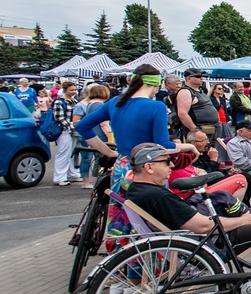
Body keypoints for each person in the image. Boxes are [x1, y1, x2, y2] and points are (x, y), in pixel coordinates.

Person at [125, 143, 251, 277]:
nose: (172, 165)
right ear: (149, 167)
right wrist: (242, 221)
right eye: (167, 162)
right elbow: (201, 226)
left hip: (194, 241)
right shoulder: (158, 196)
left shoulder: (139, 190)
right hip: (207, 246)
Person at [76, 64, 199, 248]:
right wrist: (189, 146)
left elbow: (82, 126)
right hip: (148, 168)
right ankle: (146, 267)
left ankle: (116, 264)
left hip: (122, 166)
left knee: (120, 217)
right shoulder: (155, 106)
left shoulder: (115, 103)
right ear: (155, 85)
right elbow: (162, 145)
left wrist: (109, 152)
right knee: (150, 221)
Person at [72, 84, 112, 189]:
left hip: (92, 134)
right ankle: (97, 184)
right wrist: (110, 135)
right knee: (100, 161)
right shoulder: (99, 105)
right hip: (101, 136)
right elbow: (103, 123)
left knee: (94, 160)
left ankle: (92, 182)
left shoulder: (89, 104)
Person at [175, 68, 220, 144]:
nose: (201, 78)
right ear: (188, 78)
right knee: (200, 154)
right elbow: (182, 114)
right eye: (198, 76)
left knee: (210, 154)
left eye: (201, 76)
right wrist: (195, 131)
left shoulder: (200, 91)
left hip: (210, 130)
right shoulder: (185, 92)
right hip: (198, 132)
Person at [52, 81, 82, 186]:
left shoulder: (74, 100)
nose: (73, 92)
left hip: (73, 129)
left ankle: (73, 174)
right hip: (63, 130)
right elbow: (59, 118)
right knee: (63, 153)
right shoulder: (59, 102)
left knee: (73, 153)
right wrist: (71, 129)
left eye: (74, 89)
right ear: (65, 90)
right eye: (71, 90)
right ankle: (59, 177)